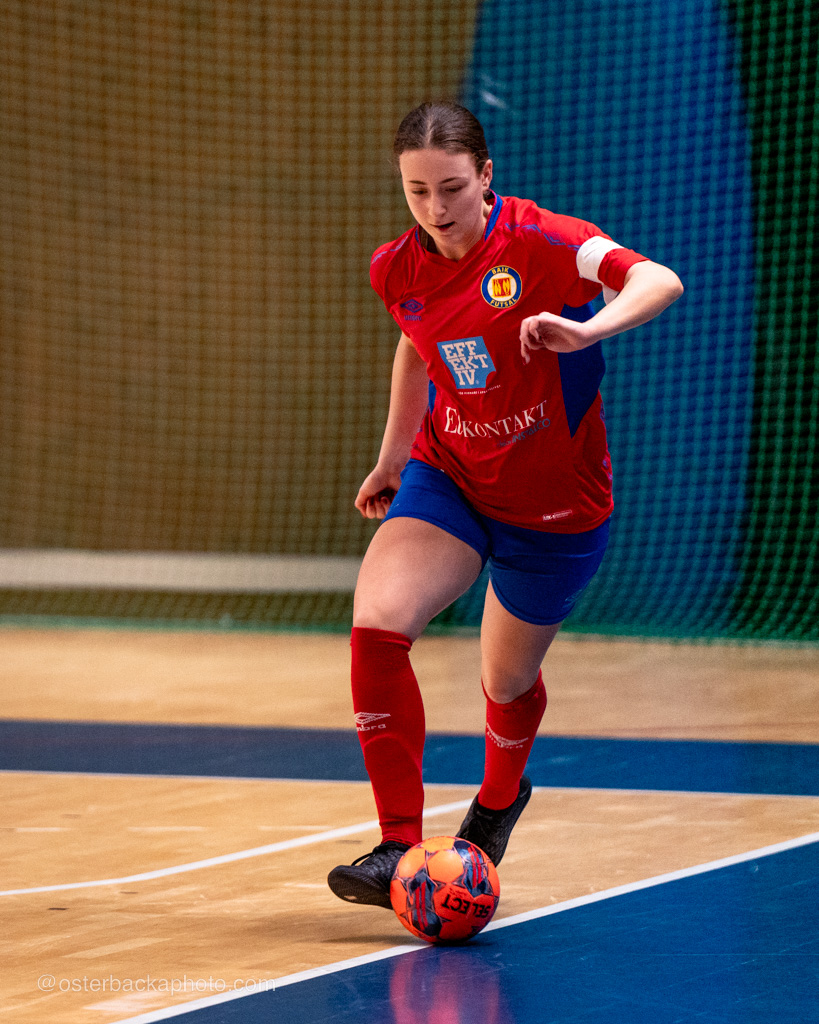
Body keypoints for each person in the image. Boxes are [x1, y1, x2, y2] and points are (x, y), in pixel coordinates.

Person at [327, 102, 683, 908]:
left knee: (507, 679)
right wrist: (392, 458)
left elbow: (657, 279)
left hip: (554, 508)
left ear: (485, 176)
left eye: (452, 188)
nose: (436, 208)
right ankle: (395, 845)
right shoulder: (394, 268)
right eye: (417, 191)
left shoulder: (542, 239)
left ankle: (495, 803)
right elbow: (418, 347)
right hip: (449, 475)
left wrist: (588, 331)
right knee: (377, 627)